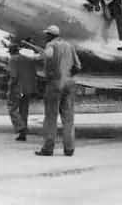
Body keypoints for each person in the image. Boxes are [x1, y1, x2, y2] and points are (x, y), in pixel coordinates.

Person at [35, 25, 81, 157]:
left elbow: (48, 55)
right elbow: (78, 66)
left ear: (50, 35)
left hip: (54, 83)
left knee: (51, 116)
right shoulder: (69, 46)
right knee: (68, 118)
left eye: (47, 35)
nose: (45, 37)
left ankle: (48, 148)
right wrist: (68, 75)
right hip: (69, 83)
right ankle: (69, 148)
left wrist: (39, 56)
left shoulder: (50, 45)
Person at [6, 43, 37, 141]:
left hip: (18, 88)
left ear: (11, 51)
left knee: (12, 108)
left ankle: (21, 127)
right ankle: (23, 134)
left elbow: (13, 76)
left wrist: (10, 88)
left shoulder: (13, 59)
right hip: (28, 89)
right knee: (24, 110)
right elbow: (34, 73)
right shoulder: (27, 59)